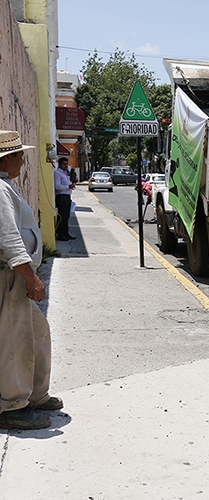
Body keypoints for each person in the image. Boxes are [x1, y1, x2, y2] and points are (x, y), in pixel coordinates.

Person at [0, 130, 63, 430]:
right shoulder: (0, 190)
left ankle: (36, 395)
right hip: (12, 277)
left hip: (18, 276)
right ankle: (13, 406)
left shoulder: (6, 186)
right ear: (7, 158)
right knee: (16, 342)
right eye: (19, 155)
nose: (23, 160)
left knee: (38, 333)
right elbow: (9, 238)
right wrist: (31, 278)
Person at [54, 157, 76, 241]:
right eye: (64, 164)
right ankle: (61, 234)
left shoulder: (65, 173)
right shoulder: (57, 173)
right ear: (59, 164)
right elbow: (57, 186)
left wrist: (70, 185)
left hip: (67, 197)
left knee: (66, 216)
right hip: (61, 197)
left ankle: (66, 233)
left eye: (67, 164)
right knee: (62, 216)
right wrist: (68, 187)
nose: (66, 166)